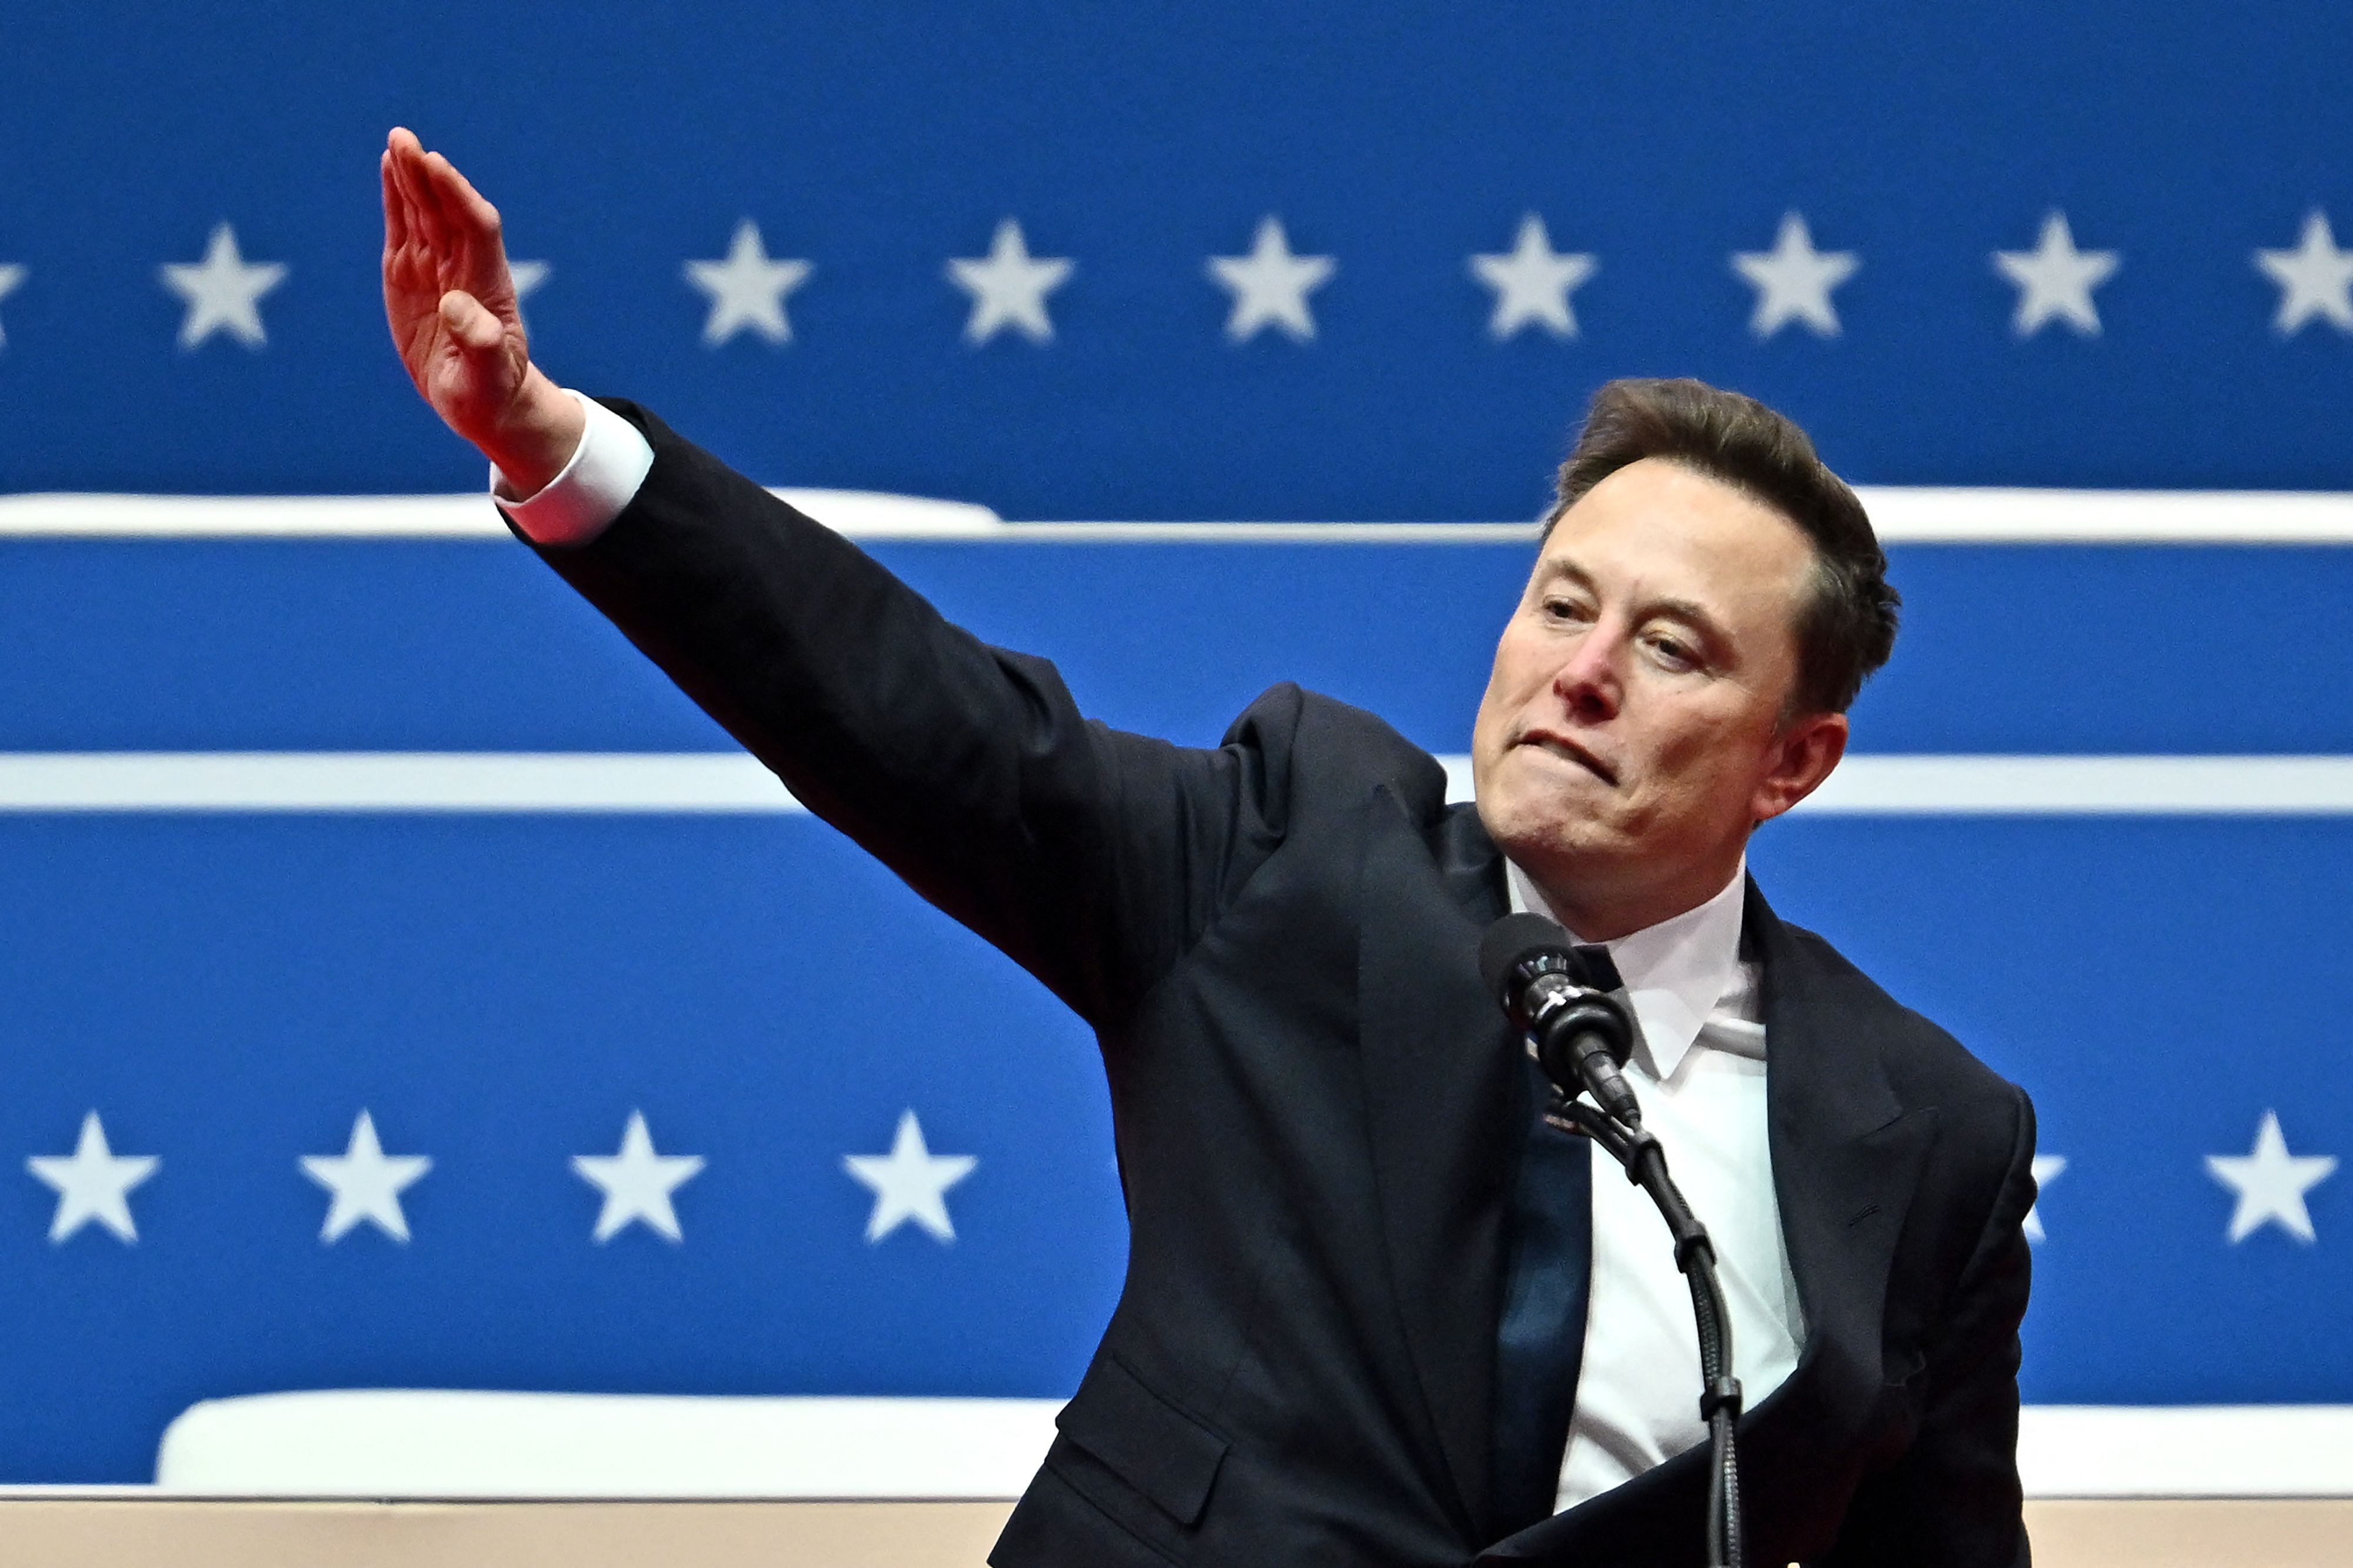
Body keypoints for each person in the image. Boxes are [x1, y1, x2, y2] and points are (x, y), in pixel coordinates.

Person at [379, 127, 2037, 1567]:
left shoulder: (1930, 1134)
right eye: (1561, 602)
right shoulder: (1292, 852)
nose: (1581, 670)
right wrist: (549, 445)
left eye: (1671, 647)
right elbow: (919, 716)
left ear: (1796, 759)